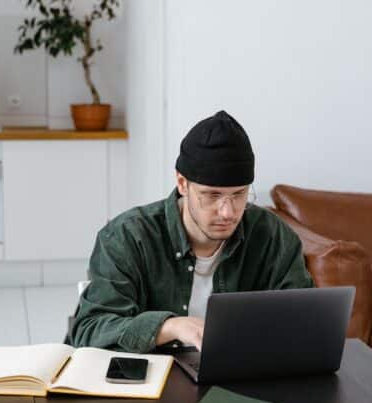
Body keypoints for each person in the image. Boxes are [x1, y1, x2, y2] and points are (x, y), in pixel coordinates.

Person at [68, 110, 314, 353]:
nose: (228, 212)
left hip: (240, 376)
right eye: (212, 195)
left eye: (239, 194)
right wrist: (171, 327)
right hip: (152, 379)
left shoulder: (273, 236)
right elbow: (90, 329)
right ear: (182, 183)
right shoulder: (127, 237)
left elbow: (304, 319)